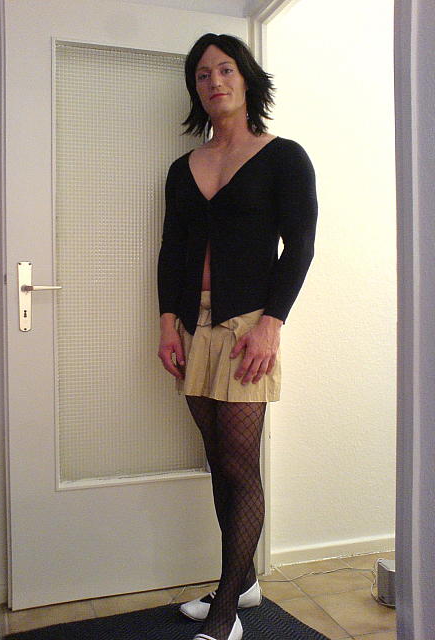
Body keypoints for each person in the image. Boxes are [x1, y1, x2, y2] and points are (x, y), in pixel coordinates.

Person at [157, 33, 317, 640]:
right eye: (202, 75)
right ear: (195, 90)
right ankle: (242, 581)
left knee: (239, 464)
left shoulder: (284, 157)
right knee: (217, 462)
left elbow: (299, 246)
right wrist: (167, 322)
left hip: (249, 326)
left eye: (225, 69)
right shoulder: (183, 168)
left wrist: (272, 323)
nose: (214, 82)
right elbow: (172, 250)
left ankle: (227, 611)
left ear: (246, 78)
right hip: (193, 326)